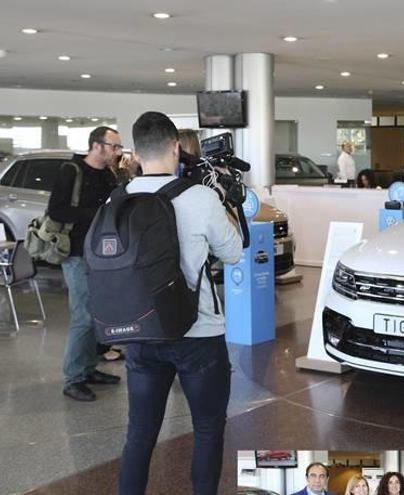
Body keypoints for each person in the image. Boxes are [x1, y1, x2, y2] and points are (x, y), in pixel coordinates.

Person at [117, 112, 242, 494]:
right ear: (176, 148)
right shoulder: (200, 197)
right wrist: (226, 203)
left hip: (140, 330)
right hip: (198, 332)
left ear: (136, 153)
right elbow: (234, 251)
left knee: (139, 434)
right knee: (207, 430)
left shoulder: (117, 197)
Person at [49, 125, 122, 402]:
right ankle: (74, 378)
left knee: (99, 313)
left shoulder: (108, 174)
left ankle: (90, 368)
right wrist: (97, 215)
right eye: (113, 146)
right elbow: (56, 210)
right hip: (76, 253)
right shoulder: (72, 171)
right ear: (96, 145)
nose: (117, 152)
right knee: (83, 316)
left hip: (102, 254)